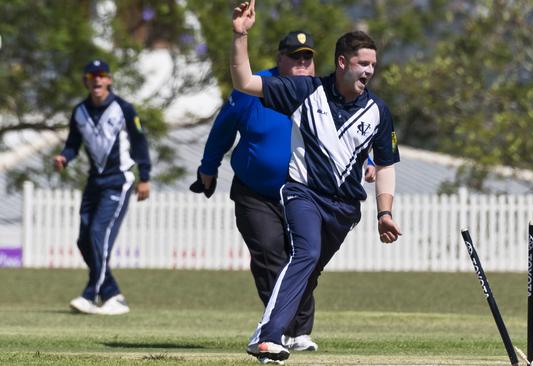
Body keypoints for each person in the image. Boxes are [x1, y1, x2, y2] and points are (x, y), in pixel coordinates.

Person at [230, 1, 402, 363]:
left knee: (307, 274)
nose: (369, 71)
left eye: (373, 64)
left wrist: (384, 212)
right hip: (303, 194)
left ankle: (269, 330)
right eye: (362, 64)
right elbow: (244, 82)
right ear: (342, 62)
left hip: (344, 208)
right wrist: (239, 35)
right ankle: (268, 337)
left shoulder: (378, 112)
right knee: (304, 255)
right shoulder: (304, 91)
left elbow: (385, 164)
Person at [191, 30, 378, 354]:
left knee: (306, 259)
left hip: (308, 194)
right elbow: (223, 127)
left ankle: (299, 331)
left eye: (308, 57)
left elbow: (347, 134)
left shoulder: (322, 92)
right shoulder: (261, 88)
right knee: (269, 254)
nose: (303, 63)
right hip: (258, 193)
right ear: (281, 59)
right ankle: (278, 327)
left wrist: (371, 159)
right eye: (295, 57)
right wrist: (208, 168)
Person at [53, 59, 151, 315]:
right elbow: (73, 143)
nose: (97, 79)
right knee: (85, 240)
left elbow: (140, 143)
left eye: (102, 75)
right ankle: (112, 294)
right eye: (92, 75)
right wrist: (65, 157)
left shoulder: (124, 109)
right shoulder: (79, 111)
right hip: (93, 182)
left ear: (109, 79)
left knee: (99, 233)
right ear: (86, 80)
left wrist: (145, 177)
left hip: (118, 181)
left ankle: (90, 294)